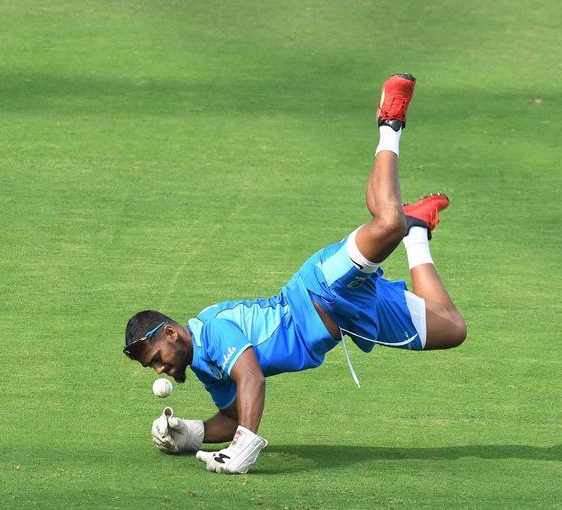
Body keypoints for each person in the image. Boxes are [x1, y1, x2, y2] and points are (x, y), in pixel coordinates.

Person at [122, 73, 467, 475]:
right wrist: (190, 433)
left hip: (320, 287)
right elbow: (233, 416)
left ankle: (390, 123)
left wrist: (245, 447)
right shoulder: (204, 366)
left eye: (158, 360)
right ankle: (418, 232)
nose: (161, 370)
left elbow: (252, 378)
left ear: (170, 334)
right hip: (348, 318)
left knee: (387, 222)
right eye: (154, 368)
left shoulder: (212, 330)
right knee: (452, 329)